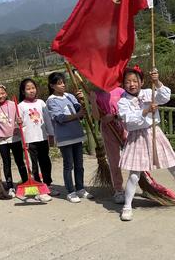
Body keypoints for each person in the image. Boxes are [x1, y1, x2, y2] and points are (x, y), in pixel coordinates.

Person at [118, 67, 175, 221]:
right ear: (123, 84)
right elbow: (128, 120)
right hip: (136, 137)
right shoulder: (123, 101)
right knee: (134, 175)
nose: (131, 84)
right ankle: (127, 206)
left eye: (135, 81)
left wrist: (157, 81)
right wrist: (145, 111)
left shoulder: (148, 92)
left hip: (154, 133)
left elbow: (165, 97)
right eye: (127, 82)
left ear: (142, 81)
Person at [46, 72, 93, 203]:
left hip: (77, 134)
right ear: (52, 86)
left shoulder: (70, 96)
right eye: (59, 83)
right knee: (68, 165)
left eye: (63, 82)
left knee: (79, 165)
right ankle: (70, 191)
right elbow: (60, 118)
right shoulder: (51, 101)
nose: (63, 85)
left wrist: (80, 99)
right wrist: (78, 114)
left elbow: (81, 111)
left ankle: (80, 188)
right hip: (65, 137)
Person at [0, 84, 35, 199]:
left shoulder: (14, 104)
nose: (0, 96)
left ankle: (25, 183)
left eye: (2, 93)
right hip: (2, 141)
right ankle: (10, 187)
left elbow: (21, 120)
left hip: (15, 138)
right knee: (7, 164)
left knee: (20, 162)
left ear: (6, 93)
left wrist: (20, 121)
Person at [18, 78, 59, 196]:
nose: (31, 91)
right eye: (28, 88)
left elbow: (47, 120)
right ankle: (38, 187)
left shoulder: (41, 103)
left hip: (42, 137)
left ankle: (48, 185)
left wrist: (51, 134)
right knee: (33, 165)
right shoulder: (20, 106)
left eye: (33, 88)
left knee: (45, 162)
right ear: (23, 91)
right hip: (30, 139)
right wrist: (18, 122)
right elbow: (19, 125)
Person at [90, 86, 126, 203]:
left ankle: (145, 182)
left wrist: (115, 116)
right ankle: (118, 190)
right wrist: (93, 101)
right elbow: (96, 117)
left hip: (124, 126)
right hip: (108, 129)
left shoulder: (120, 91)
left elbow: (129, 107)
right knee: (114, 160)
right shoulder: (96, 94)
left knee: (135, 156)